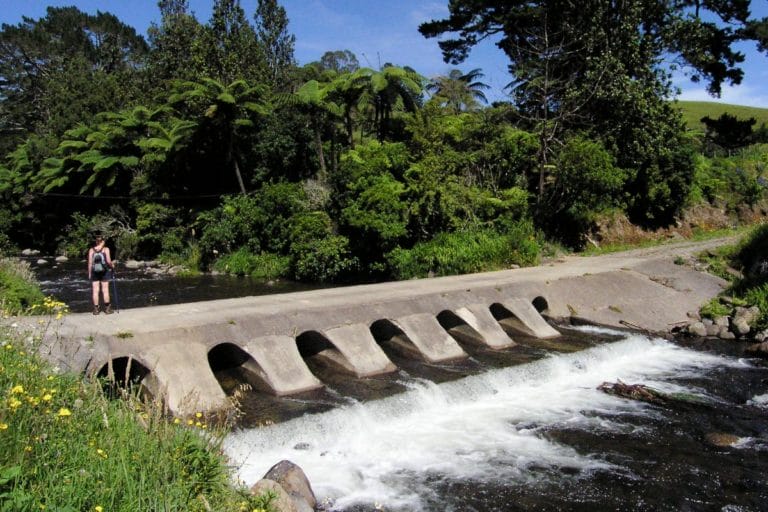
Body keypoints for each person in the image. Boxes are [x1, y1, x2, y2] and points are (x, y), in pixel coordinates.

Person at [88, 235, 114, 315]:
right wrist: (112, 266)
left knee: (95, 290)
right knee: (105, 290)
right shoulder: (106, 249)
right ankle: (107, 309)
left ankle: (96, 310)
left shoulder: (91, 250)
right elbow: (109, 261)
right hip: (104, 271)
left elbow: (90, 263)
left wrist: (89, 273)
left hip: (94, 271)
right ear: (102, 241)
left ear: (96, 241)